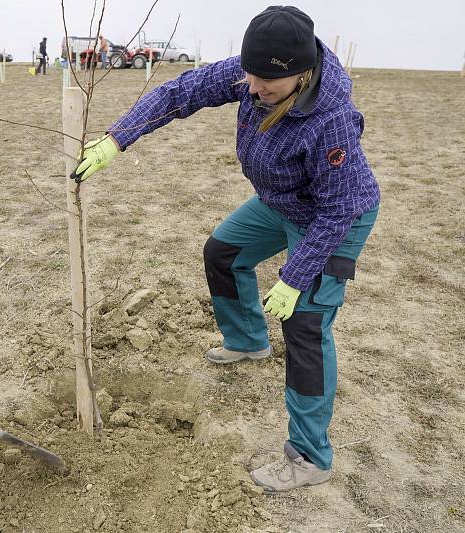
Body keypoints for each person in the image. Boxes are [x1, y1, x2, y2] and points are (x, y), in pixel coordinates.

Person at [71, 6, 379, 492]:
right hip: (281, 201)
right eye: (249, 75)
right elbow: (180, 92)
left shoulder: (333, 118)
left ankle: (310, 456)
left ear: (300, 75)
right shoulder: (251, 73)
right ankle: (247, 342)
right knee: (223, 252)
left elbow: (336, 210)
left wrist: (293, 278)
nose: (253, 88)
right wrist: (117, 139)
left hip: (335, 216)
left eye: (266, 83)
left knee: (305, 324)